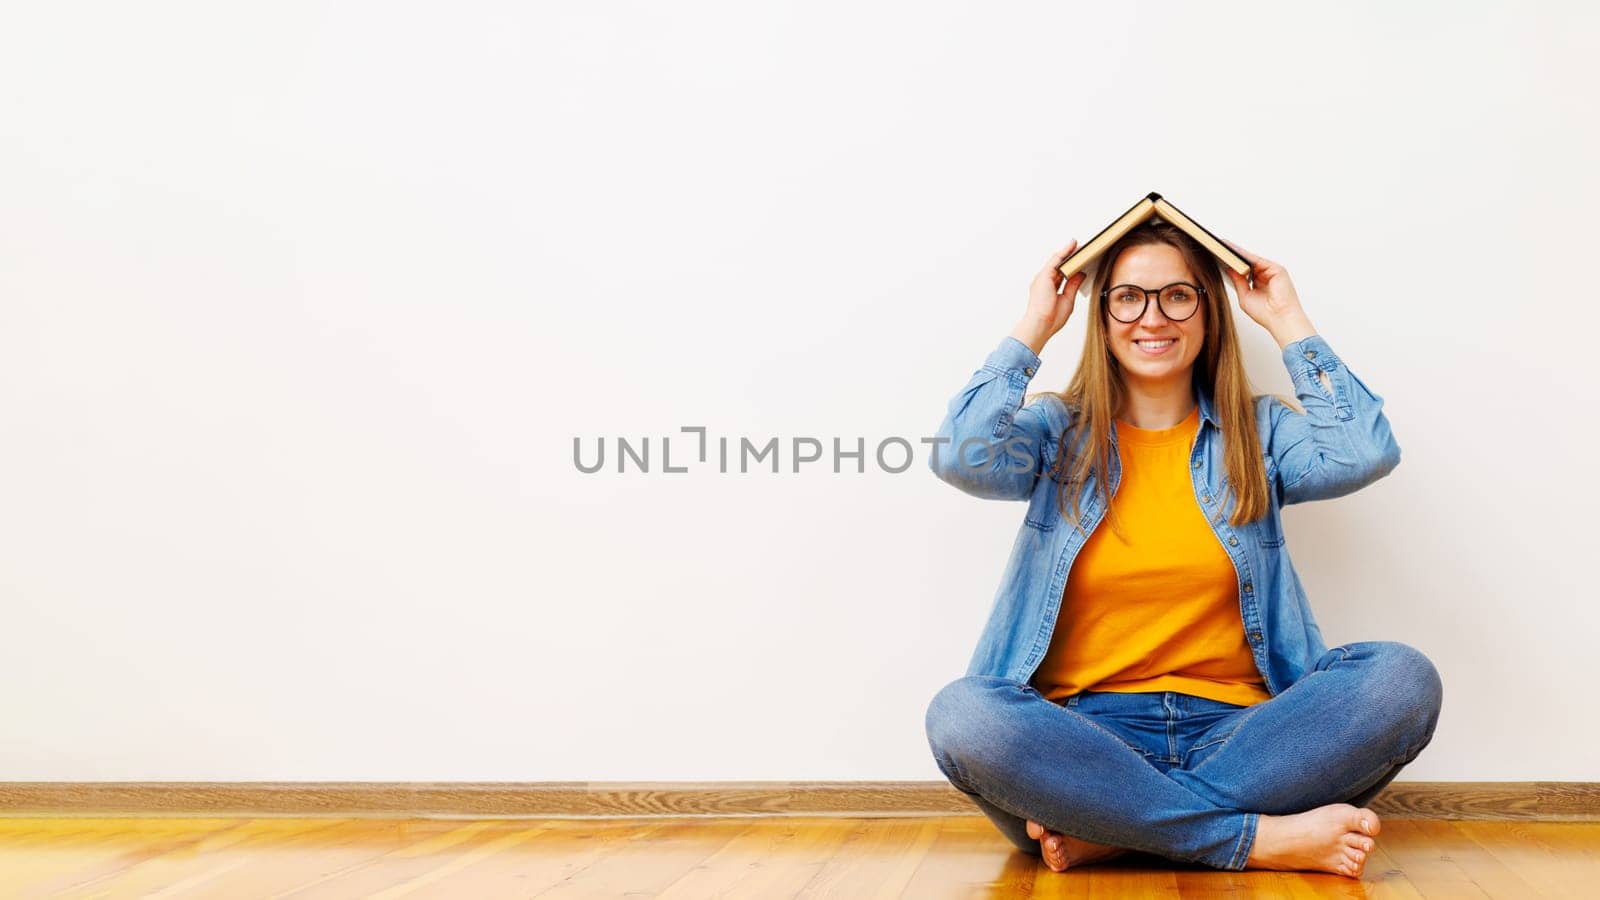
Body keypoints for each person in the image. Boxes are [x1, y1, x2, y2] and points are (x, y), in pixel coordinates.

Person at [922, 220, 1443, 878]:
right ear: (1102, 314)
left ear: (1206, 310)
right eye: (1129, 297)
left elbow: (1364, 451)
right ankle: (1253, 840)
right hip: (1084, 746)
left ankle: (1115, 830)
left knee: (1399, 679)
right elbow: (961, 456)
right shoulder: (1058, 433)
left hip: (1244, 739)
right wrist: (1034, 325)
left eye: (1177, 295)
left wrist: (1286, 317)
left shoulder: (1260, 432)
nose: (1152, 316)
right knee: (965, 714)